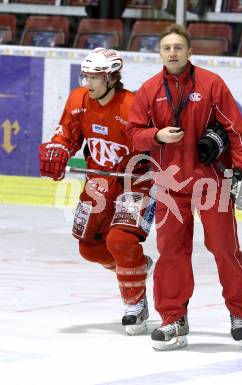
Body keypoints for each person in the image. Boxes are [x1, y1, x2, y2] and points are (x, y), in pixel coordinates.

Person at [126, 24, 242, 350]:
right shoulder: (149, 89)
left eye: (178, 47)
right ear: (160, 53)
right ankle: (173, 319)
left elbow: (236, 130)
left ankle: (240, 311)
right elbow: (132, 133)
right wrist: (155, 136)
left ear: (189, 52)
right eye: (166, 48)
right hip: (171, 183)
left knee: (223, 248)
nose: (172, 52)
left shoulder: (211, 84)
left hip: (211, 181)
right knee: (171, 252)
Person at [39, 48, 156, 335]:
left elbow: (155, 145)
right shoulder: (78, 99)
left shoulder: (133, 105)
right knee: (89, 248)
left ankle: (135, 305)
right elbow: (68, 133)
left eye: (97, 77)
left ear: (113, 78)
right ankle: (136, 267)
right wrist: (60, 147)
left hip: (135, 181)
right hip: (98, 180)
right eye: (87, 76)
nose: (89, 82)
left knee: (120, 240)